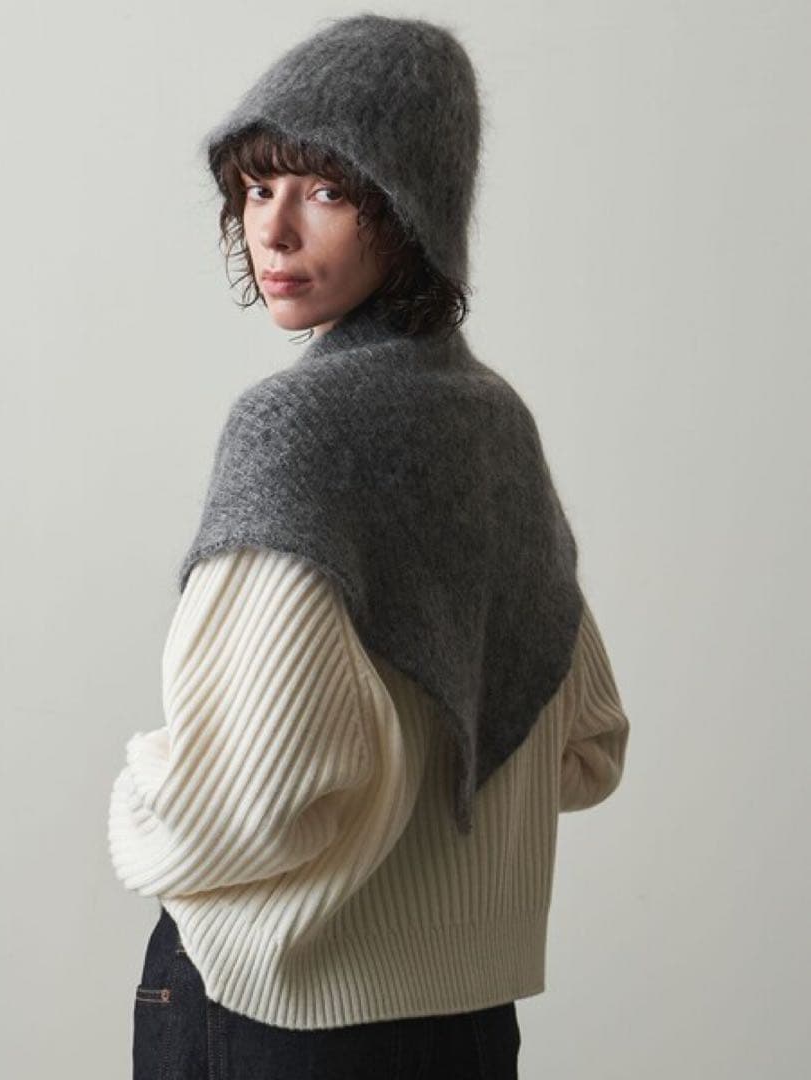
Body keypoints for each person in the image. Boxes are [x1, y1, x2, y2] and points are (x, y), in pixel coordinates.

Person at [107, 14, 630, 1080]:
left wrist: (135, 810)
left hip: (279, 1017)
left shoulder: (292, 430)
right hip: (469, 1023)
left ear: (412, 209)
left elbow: (244, 800)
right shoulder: (496, 425)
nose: (274, 230)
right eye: (258, 187)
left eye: (328, 192)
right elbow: (587, 744)